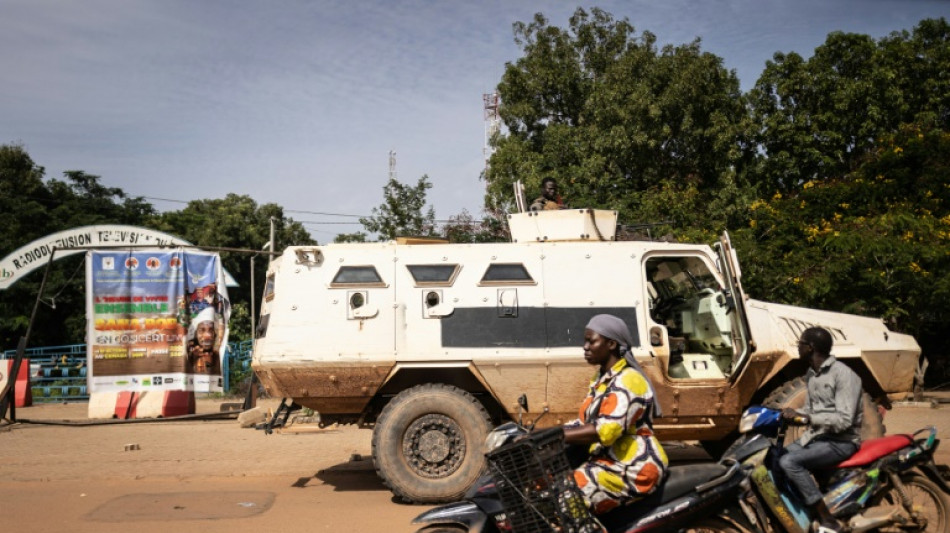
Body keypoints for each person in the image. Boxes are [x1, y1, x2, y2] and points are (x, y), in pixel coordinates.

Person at [563, 314, 668, 515]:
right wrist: (543, 434)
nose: (585, 347)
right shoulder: (602, 378)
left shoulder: (628, 380)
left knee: (569, 492)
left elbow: (606, 430)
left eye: (591, 341)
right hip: (608, 460)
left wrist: (560, 435)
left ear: (611, 344)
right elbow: (585, 421)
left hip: (632, 466)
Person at [779, 326, 862, 533]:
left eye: (801, 344)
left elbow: (844, 420)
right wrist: (792, 414)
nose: (798, 347)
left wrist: (808, 417)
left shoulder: (843, 375)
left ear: (811, 347)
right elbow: (810, 410)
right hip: (817, 437)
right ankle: (803, 511)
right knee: (775, 458)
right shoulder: (812, 375)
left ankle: (827, 520)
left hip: (841, 442)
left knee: (789, 462)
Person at [186, 306, 219, 374]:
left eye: (211, 330)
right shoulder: (189, 354)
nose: (207, 336)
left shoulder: (217, 355)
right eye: (202, 330)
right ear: (195, 333)